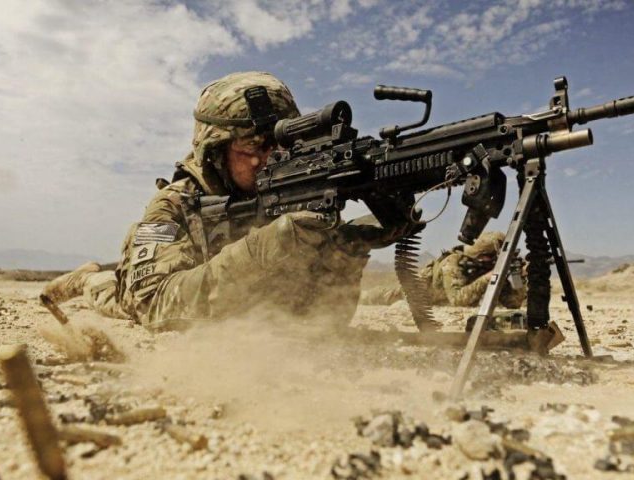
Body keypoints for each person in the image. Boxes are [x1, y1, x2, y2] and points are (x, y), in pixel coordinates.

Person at [42, 71, 411, 331]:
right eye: (253, 145)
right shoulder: (172, 206)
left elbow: (320, 319)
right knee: (109, 294)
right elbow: (153, 306)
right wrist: (266, 247)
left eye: (281, 145)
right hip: (136, 291)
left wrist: (346, 250)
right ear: (214, 149)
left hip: (241, 309)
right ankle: (88, 277)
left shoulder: (288, 191)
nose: (269, 158)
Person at [360, 231, 526, 308]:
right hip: (417, 292)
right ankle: (350, 297)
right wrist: (487, 279)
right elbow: (457, 300)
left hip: (437, 301)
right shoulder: (453, 263)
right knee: (377, 296)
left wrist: (518, 278)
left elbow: (514, 304)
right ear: (484, 256)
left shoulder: (486, 266)